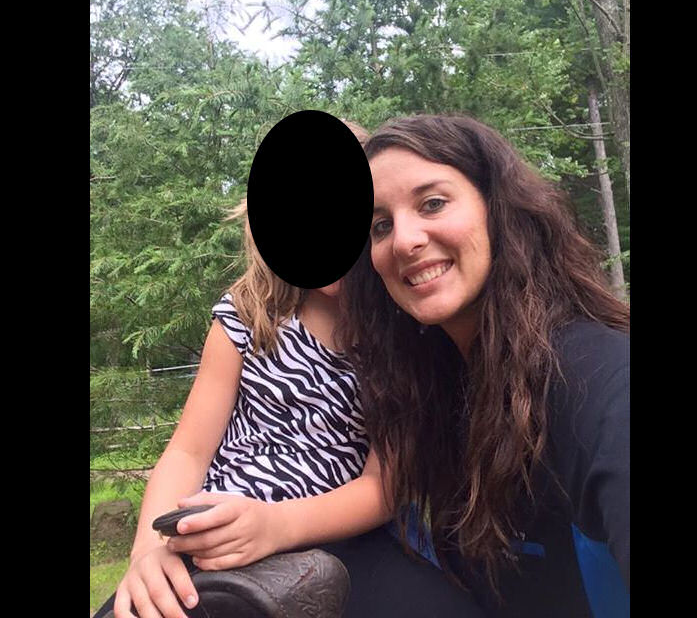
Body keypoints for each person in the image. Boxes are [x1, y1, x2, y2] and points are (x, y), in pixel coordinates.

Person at [94, 120, 483, 618]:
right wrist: (147, 551)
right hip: (219, 528)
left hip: (338, 534)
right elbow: (188, 450)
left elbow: (384, 486)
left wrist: (276, 526)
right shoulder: (247, 314)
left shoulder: (408, 335)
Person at [336, 114, 629, 618]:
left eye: (432, 203)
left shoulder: (599, 381)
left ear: (498, 209)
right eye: (380, 226)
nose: (404, 240)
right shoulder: (440, 391)